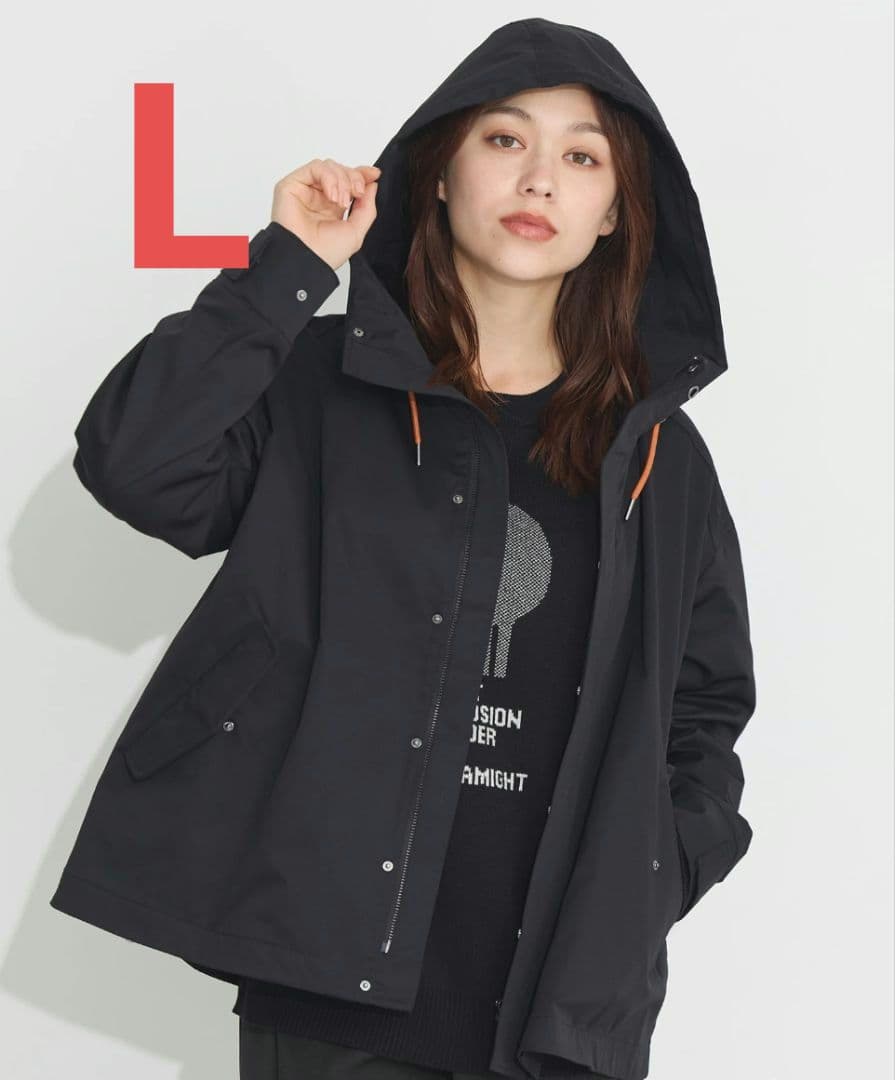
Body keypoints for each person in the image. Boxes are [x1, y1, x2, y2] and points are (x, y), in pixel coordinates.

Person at [50, 18, 756, 1080]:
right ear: (439, 173)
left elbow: (703, 706)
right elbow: (136, 463)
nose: (539, 179)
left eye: (582, 158)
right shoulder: (323, 386)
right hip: (333, 998)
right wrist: (289, 267)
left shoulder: (657, 456)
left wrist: (652, 874)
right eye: (504, 140)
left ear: (615, 213)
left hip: (555, 1018)